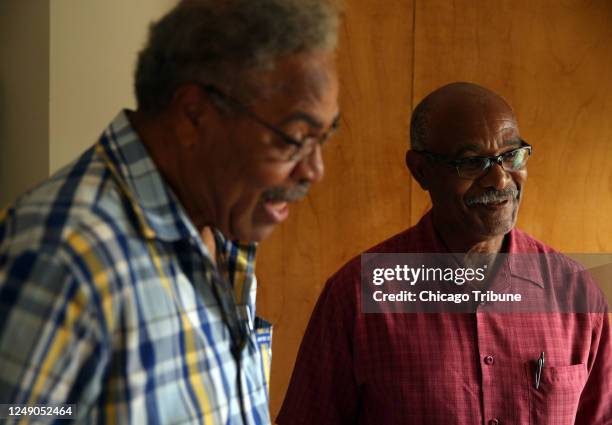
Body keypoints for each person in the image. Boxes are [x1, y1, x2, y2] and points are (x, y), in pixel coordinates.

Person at [0, 0, 341, 423]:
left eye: (324, 137)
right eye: (294, 138)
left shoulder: (220, 231)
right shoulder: (64, 254)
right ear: (193, 114)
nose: (314, 171)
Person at [278, 82, 611, 424]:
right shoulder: (357, 294)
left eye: (511, 156)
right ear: (420, 170)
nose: (498, 179)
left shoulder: (576, 292)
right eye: (471, 162)